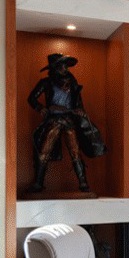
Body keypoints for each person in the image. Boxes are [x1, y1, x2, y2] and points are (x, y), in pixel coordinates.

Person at [27, 53, 106, 192]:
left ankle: (83, 183)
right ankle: (38, 183)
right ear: (55, 68)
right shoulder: (46, 82)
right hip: (54, 120)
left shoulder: (73, 84)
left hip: (69, 120)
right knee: (44, 151)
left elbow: (78, 103)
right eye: (62, 65)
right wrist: (40, 108)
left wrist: (80, 111)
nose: (65, 68)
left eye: (66, 65)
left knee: (75, 152)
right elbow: (31, 98)